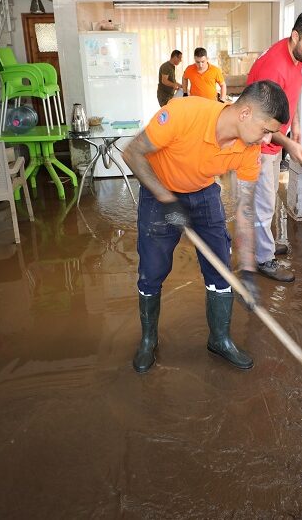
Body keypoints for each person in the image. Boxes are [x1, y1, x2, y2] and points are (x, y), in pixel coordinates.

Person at [122, 81, 291, 373]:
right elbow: (132, 153)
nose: (266, 140)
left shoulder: (249, 149)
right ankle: (149, 339)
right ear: (245, 113)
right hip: (159, 191)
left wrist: (248, 268)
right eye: (265, 130)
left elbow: (245, 210)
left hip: (203, 194)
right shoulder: (183, 114)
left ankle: (220, 339)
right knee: (152, 269)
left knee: (220, 266)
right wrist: (166, 200)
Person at [245, 8, 302, 283]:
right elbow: (262, 120)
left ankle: (264, 243)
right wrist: (290, 143)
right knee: (264, 202)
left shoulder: (297, 56)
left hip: (274, 138)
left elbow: (292, 94)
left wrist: (297, 125)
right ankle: (263, 259)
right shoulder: (274, 66)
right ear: (295, 36)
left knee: (267, 200)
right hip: (257, 142)